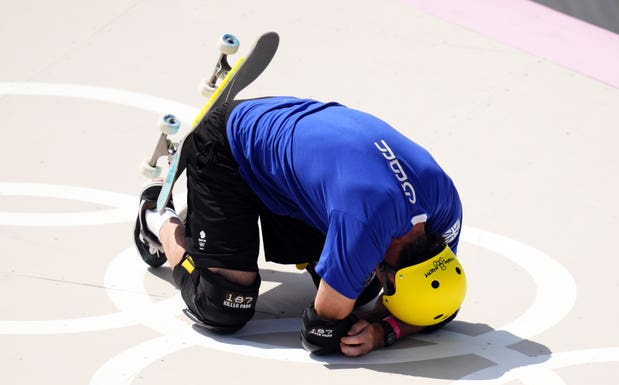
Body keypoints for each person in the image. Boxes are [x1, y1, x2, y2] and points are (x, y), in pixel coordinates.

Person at [134, 96, 467, 357]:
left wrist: (389, 328)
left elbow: (438, 306)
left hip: (295, 164)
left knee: (362, 288)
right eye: (390, 289)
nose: (385, 294)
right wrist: (381, 332)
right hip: (229, 148)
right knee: (223, 304)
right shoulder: (365, 225)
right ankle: (156, 217)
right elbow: (320, 331)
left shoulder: (445, 209)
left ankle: (216, 227)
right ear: (392, 275)